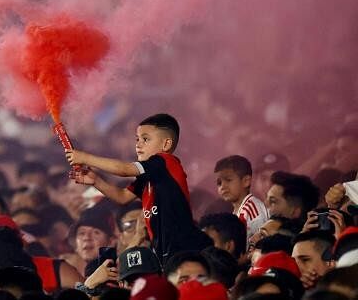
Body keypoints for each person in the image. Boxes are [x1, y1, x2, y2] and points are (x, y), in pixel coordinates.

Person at [65, 113, 211, 266]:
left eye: (146, 139)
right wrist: (96, 181)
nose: (138, 144)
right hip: (165, 253)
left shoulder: (165, 162)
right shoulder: (148, 176)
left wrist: (85, 158)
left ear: (166, 145)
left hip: (185, 249)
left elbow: (124, 169)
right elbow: (122, 196)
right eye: (137, 139)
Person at [214, 155, 269, 239]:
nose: (222, 186)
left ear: (246, 181)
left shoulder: (252, 209)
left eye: (228, 180)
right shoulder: (238, 211)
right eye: (219, 183)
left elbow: (259, 244)